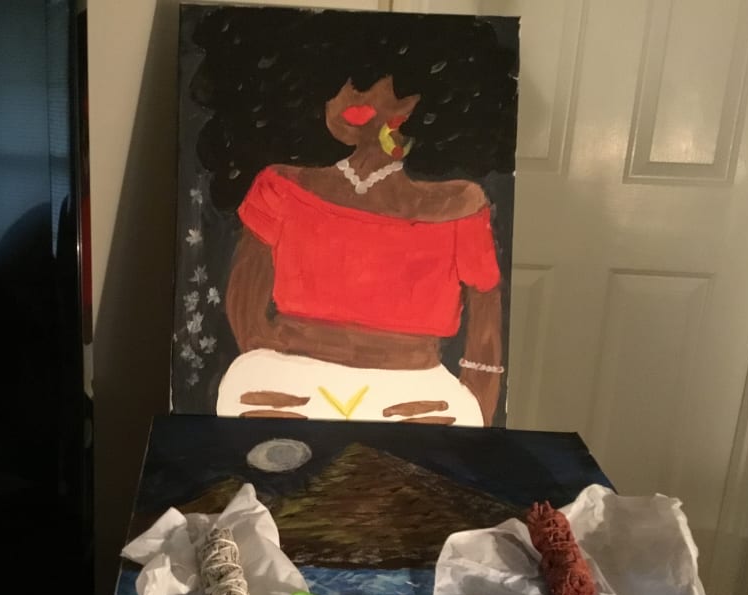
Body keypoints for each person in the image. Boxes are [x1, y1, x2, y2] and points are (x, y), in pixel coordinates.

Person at [188, 8, 517, 425]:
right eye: (337, 83)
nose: (353, 97)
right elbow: (246, 304)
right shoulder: (280, 187)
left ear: (422, 99)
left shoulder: (461, 205)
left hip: (416, 394)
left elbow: (485, 321)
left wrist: (479, 410)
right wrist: (279, 367)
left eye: (375, 83)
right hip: (288, 382)